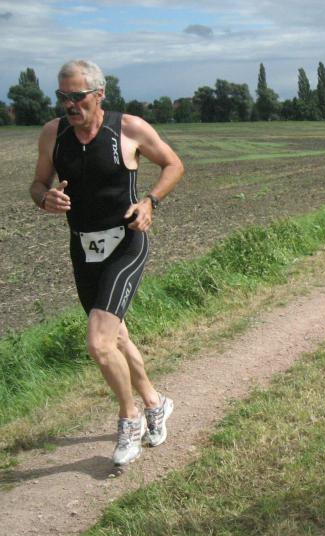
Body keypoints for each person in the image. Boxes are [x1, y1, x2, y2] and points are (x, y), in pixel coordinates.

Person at [30, 60, 184, 466]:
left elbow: (173, 164)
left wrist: (150, 202)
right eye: (62, 96)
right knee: (115, 338)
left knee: (99, 342)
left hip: (126, 243)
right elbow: (38, 183)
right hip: (83, 248)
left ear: (99, 94)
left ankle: (129, 419)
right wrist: (45, 198)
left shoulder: (128, 128)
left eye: (77, 96)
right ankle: (155, 402)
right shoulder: (53, 134)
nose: (69, 104)